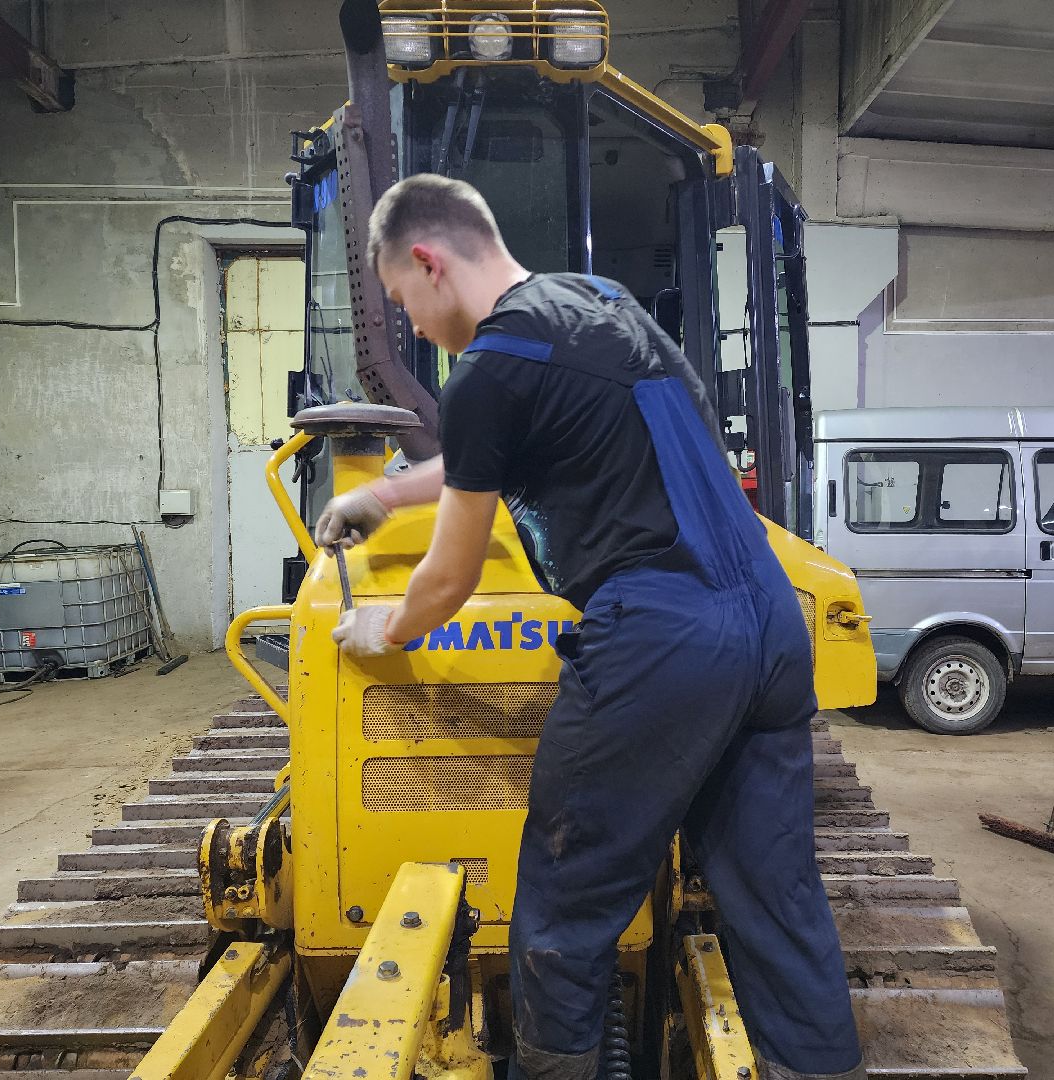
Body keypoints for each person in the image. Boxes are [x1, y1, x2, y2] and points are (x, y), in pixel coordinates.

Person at [316, 173, 865, 1080]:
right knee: (776, 899)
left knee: (565, 910)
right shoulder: (602, 305)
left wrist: (388, 626)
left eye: (404, 298)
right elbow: (506, 451)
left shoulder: (488, 368)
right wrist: (384, 493)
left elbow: (448, 579)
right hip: (768, 624)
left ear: (429, 261)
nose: (411, 323)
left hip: (661, 639)